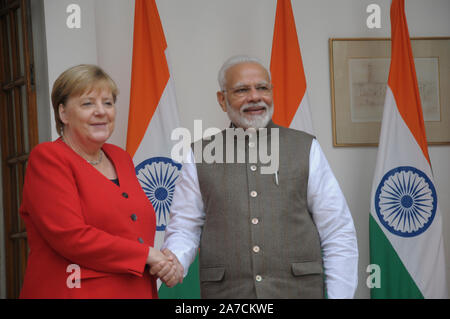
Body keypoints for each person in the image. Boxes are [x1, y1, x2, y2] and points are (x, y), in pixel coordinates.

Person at [162, 55, 359, 298]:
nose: (255, 96)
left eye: (262, 88)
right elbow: (185, 226)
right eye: (242, 90)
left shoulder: (305, 147)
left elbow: (337, 230)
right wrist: (174, 261)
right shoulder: (199, 153)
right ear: (222, 100)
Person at [19, 64, 182, 298]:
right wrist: (147, 255)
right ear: (63, 113)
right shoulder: (48, 158)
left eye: (108, 103)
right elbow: (70, 236)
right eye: (87, 103)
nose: (101, 111)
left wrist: (165, 263)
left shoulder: (120, 158)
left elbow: (132, 232)